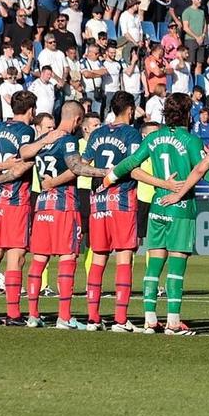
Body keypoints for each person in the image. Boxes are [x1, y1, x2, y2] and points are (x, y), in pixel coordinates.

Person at [102, 92, 208, 335]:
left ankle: (149, 320)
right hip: (181, 209)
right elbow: (204, 171)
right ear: (187, 114)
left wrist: (109, 178)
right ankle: (172, 322)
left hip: (157, 206)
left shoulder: (154, 137)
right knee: (176, 266)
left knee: (153, 266)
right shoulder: (192, 141)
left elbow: (131, 163)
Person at [79, 92, 145, 329]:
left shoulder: (96, 133)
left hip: (98, 201)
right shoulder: (131, 134)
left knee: (98, 257)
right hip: (123, 199)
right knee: (124, 257)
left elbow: (83, 166)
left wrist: (102, 174)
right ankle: (120, 318)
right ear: (129, 110)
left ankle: (92, 317)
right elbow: (133, 167)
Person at [0, 91, 41, 326]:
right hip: (15, 200)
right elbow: (23, 166)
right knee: (16, 256)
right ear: (31, 110)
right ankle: (13, 313)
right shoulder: (27, 132)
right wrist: (3, 177)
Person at [22, 101, 87, 328]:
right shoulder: (68, 140)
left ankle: (32, 315)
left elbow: (24, 153)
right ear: (77, 120)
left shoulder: (44, 140)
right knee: (68, 258)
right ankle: (64, 317)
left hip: (42, 206)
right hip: (64, 204)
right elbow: (75, 170)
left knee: (39, 259)